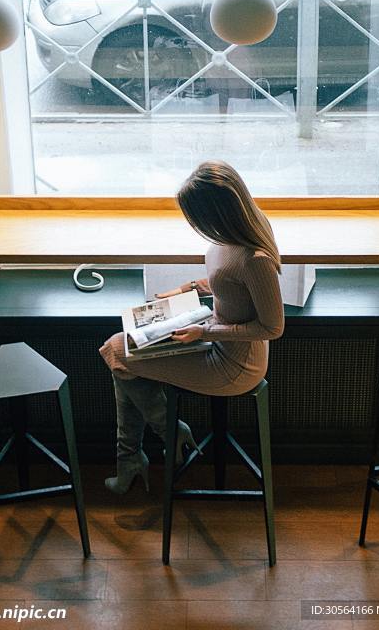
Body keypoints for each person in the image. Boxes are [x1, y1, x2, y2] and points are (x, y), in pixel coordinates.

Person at [99, 160, 284, 493]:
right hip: (214, 335)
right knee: (118, 349)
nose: (197, 227)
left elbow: (272, 328)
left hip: (236, 365)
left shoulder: (255, 259)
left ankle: (157, 439)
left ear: (218, 214)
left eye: (199, 220)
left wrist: (205, 332)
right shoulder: (231, 239)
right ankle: (136, 455)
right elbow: (229, 283)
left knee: (117, 353)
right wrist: (187, 289)